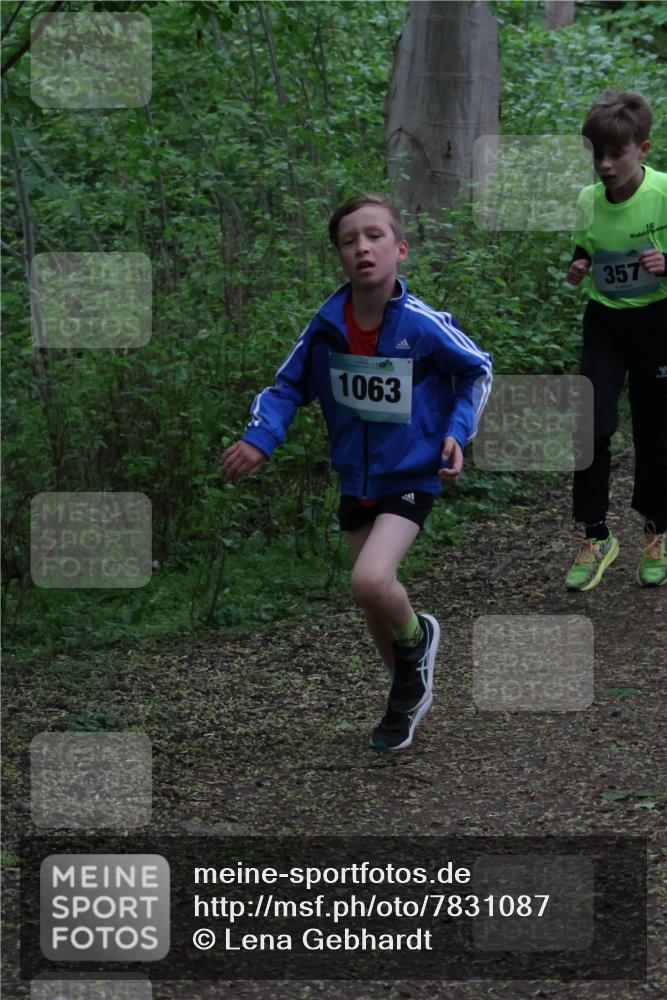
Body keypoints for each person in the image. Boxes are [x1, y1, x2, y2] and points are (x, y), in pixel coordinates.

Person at [221, 193, 492, 750]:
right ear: (340, 257)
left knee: (370, 579)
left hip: (413, 472)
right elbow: (286, 386)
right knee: (372, 599)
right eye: (349, 241)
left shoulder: (421, 325)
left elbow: (477, 369)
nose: (362, 248)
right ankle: (404, 690)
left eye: (374, 237)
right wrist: (260, 437)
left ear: (401, 249)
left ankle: (420, 640)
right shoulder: (325, 327)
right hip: (355, 476)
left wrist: (456, 432)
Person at [565, 90, 667, 591]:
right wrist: (577, 266)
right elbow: (582, 251)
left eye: (616, 154)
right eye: (596, 154)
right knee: (590, 423)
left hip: (658, 322)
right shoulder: (588, 199)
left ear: (642, 149)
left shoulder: (666, 193)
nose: (604, 165)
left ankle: (656, 529)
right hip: (604, 321)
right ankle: (596, 535)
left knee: (656, 431)